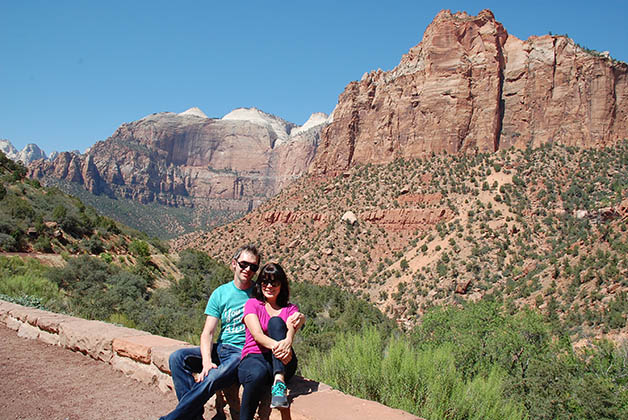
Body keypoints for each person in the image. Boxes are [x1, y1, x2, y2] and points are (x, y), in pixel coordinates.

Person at [160, 244, 261, 420]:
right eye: (244, 264)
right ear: (234, 264)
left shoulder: (259, 293)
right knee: (177, 358)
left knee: (213, 377)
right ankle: (193, 417)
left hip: (242, 352)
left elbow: (280, 308)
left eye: (253, 267)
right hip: (222, 348)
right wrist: (206, 361)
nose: (248, 269)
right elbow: (208, 332)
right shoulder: (220, 293)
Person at [237, 263, 306, 420]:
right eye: (264, 282)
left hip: (283, 362)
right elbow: (257, 335)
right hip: (255, 357)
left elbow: (290, 329)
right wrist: (280, 348)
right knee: (256, 375)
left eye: (274, 283)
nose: (269, 286)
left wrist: (288, 340)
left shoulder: (290, 309)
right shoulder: (252, 304)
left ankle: (279, 382)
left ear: (281, 285)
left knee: (276, 322)